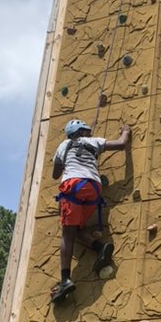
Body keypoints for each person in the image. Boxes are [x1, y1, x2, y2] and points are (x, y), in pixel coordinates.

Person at [50, 118, 131, 301]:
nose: (88, 133)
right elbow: (120, 144)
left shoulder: (64, 145)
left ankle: (65, 280)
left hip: (73, 186)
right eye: (86, 131)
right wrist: (125, 131)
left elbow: (55, 174)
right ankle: (100, 247)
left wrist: (63, 161)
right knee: (76, 229)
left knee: (67, 234)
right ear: (82, 132)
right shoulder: (93, 142)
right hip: (93, 189)